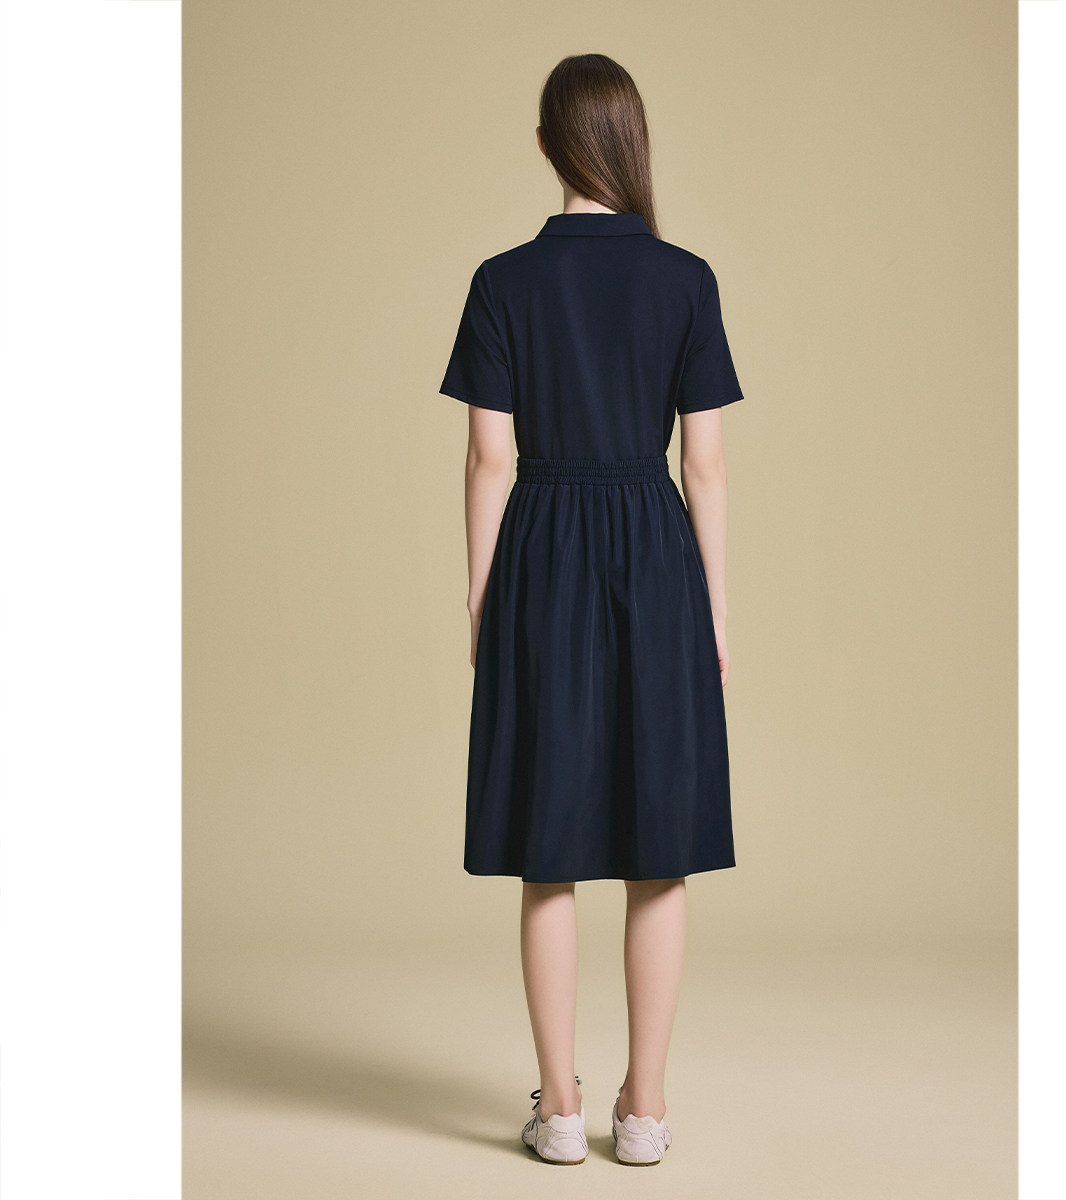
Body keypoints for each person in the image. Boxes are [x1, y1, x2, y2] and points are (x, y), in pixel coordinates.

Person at [439, 52, 744, 1167]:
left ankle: (561, 1109)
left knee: (550, 848)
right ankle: (644, 1110)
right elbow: (703, 466)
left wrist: (484, 599)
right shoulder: (686, 279)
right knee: (659, 851)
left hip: (544, 556)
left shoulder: (501, 281)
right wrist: (714, 612)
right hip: (656, 558)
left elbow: (489, 457)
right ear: (630, 142)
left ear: (546, 145)